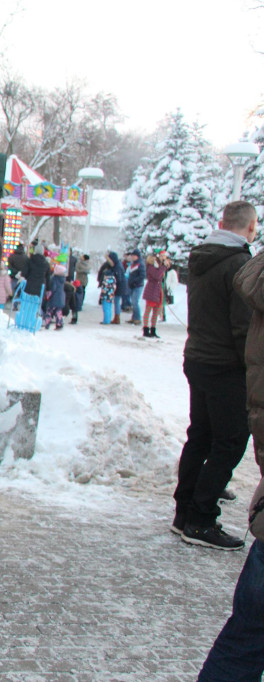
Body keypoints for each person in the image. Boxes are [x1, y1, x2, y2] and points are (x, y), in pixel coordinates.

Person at [172, 200, 257, 550]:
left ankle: (184, 513)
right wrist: (251, 368)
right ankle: (201, 518)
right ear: (251, 228)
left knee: (201, 437)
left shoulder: (203, 257)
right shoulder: (239, 263)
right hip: (225, 365)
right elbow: (242, 327)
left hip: (198, 358)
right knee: (231, 441)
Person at [199, 239, 264, 678]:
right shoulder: (237, 266)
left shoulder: (248, 271)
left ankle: (194, 510)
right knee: (220, 444)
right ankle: (196, 513)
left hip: (207, 361)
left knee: (247, 636)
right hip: (221, 368)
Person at [142, 251, 166, 338]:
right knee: (148, 310)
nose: (164, 257)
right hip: (152, 289)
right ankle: (145, 328)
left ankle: (153, 329)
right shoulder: (152, 266)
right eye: (162, 255)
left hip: (158, 290)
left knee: (156, 311)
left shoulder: (159, 266)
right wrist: (163, 267)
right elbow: (156, 276)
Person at [43, 263, 67, 330]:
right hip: (61, 297)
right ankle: (59, 324)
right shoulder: (62, 279)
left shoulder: (54, 279)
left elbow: (52, 289)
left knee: (49, 311)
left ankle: (47, 324)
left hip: (54, 298)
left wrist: (47, 296)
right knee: (58, 311)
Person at [126, 250, 147, 325]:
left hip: (138, 285)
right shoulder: (133, 264)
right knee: (133, 301)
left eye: (133, 255)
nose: (132, 257)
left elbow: (142, 275)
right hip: (132, 285)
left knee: (135, 301)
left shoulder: (140, 264)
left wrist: (135, 281)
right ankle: (134, 317)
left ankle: (137, 318)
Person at [97, 256, 117, 325]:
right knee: (109, 307)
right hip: (110, 295)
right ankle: (107, 319)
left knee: (106, 307)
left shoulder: (106, 280)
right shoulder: (113, 279)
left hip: (106, 295)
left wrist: (102, 295)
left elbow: (104, 289)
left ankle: (106, 320)